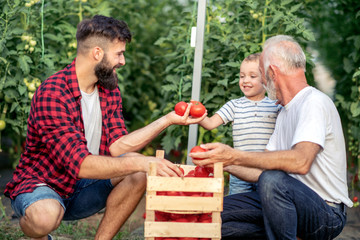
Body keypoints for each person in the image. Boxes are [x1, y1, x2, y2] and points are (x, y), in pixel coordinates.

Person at [4, 15, 206, 240]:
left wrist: (167, 120)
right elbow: (80, 164)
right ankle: (38, 235)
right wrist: (140, 160)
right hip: (44, 184)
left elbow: (118, 146)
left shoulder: (107, 88)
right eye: (119, 54)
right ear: (97, 53)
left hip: (81, 188)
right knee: (44, 218)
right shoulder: (53, 93)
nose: (123, 61)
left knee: (139, 173)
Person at [190, 35, 353, 239]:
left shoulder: (313, 103)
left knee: (272, 179)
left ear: (272, 73)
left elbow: (300, 162)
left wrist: (233, 156)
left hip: (324, 213)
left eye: (261, 74)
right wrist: (222, 163)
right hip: (284, 204)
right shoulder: (284, 111)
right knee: (212, 216)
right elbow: (261, 170)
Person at [199, 53, 281, 195]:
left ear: (266, 79)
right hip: (240, 172)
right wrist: (197, 114)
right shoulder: (234, 105)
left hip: (266, 171)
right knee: (238, 207)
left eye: (252, 76)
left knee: (265, 209)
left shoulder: (275, 106)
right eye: (242, 76)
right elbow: (210, 123)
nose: (245, 80)